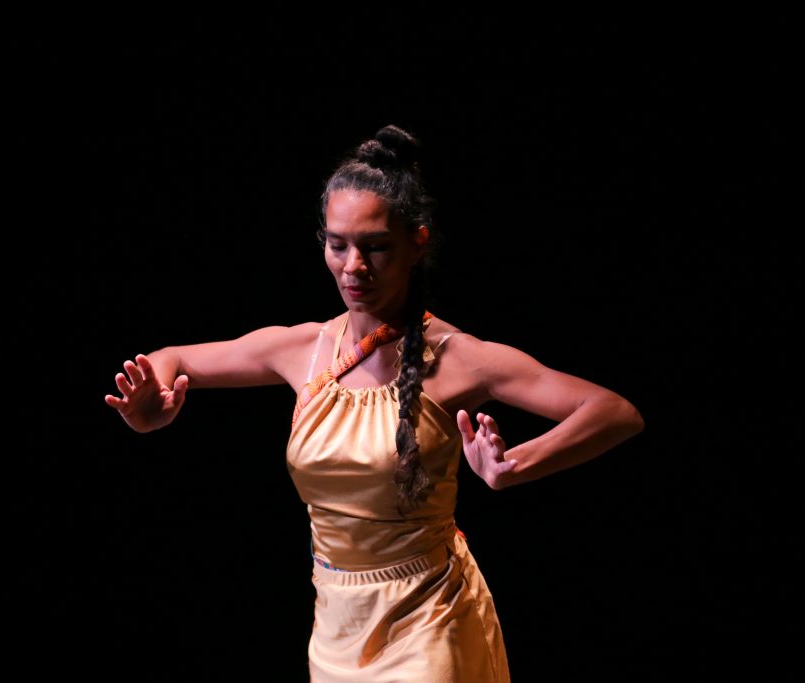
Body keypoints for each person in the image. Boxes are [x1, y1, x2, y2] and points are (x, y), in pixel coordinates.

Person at [104, 124, 644, 682]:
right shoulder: (303, 350)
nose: (353, 266)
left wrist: (516, 466)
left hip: (429, 619)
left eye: (376, 247)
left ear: (417, 243)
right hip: (336, 623)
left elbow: (614, 411)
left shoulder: (459, 357)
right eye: (338, 244)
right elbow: (169, 359)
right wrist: (150, 411)